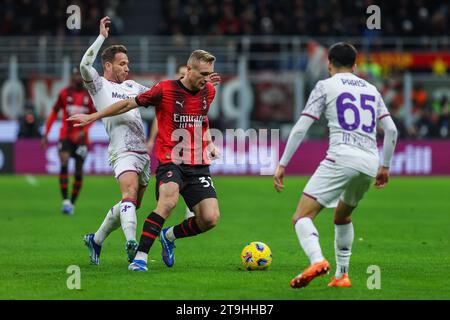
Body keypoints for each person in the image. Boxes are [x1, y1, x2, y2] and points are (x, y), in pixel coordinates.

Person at [69, 49, 221, 272]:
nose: (207, 79)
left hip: (198, 164)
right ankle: (140, 257)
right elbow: (127, 104)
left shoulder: (208, 91)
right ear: (189, 70)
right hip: (171, 161)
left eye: (210, 74)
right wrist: (93, 116)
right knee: (167, 202)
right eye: (204, 73)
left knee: (210, 218)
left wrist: (208, 142)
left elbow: (201, 118)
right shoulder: (164, 89)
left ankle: (168, 236)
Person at [273, 42, 398, 289]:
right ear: (355, 64)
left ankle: (318, 261)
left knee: (301, 216)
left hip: (341, 156)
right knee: (343, 215)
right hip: (370, 162)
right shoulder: (372, 89)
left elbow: (301, 127)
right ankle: (342, 275)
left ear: (328, 63)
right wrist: (385, 166)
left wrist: (282, 163)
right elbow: (392, 130)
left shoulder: (325, 85)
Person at [78, 16, 151, 265]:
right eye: (121, 64)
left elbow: (159, 93)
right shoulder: (99, 86)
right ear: (107, 65)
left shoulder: (133, 86)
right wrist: (101, 38)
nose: (126, 68)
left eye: (128, 63)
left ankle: (96, 240)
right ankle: (132, 246)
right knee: (129, 194)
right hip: (122, 150)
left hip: (143, 152)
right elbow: (84, 64)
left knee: (131, 203)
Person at [146, 64, 220, 219]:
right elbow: (158, 120)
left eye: (183, 73)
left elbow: (202, 122)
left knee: (204, 209)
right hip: (171, 155)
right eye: (179, 74)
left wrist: (210, 145)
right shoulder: (168, 95)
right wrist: (151, 140)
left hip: (194, 155)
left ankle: (190, 209)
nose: (181, 76)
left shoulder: (198, 96)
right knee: (168, 202)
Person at [41, 68, 95, 215]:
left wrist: (84, 130)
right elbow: (53, 112)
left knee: (78, 171)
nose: (77, 77)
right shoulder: (64, 93)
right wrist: (46, 133)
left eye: (80, 74)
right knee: (64, 162)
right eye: (75, 74)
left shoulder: (89, 96)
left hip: (82, 139)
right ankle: (65, 201)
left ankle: (72, 202)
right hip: (65, 136)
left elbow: (94, 115)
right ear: (72, 76)